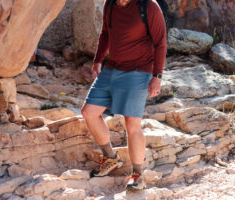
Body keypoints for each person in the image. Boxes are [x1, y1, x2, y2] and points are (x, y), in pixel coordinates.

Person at [81, 0, 167, 191]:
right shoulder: (110, 3)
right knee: (89, 112)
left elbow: (160, 41)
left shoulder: (149, 7)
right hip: (112, 69)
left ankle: (137, 175)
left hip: (139, 71)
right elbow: (106, 33)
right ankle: (111, 158)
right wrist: (98, 59)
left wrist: (157, 77)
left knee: (131, 123)